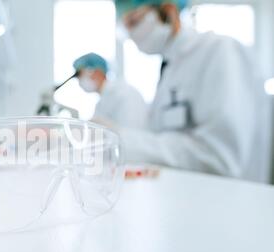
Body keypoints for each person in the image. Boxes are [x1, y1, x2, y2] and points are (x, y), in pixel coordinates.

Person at [113, 0, 272, 183]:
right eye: (125, 27)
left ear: (168, 10)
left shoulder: (220, 51)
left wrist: (123, 141)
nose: (132, 34)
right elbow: (164, 137)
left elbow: (220, 158)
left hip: (233, 198)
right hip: (186, 193)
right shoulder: (170, 68)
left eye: (134, 21)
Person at [73, 53, 148, 129]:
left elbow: (132, 133)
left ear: (97, 72)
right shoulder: (100, 104)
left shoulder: (124, 92)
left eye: (80, 75)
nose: (79, 80)